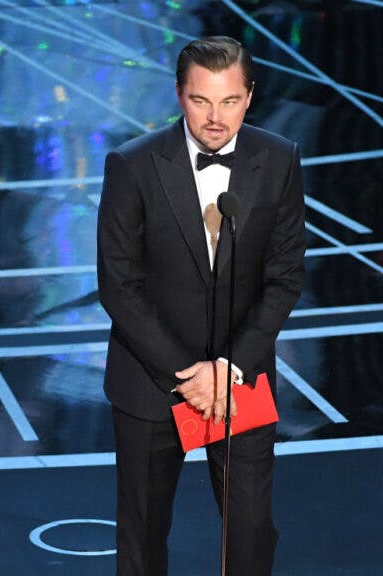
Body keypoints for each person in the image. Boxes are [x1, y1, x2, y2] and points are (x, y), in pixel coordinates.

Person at [97, 35, 306, 576]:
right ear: (178, 95)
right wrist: (188, 375)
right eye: (201, 100)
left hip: (242, 380)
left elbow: (284, 279)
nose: (216, 118)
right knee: (142, 536)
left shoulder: (279, 160)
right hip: (153, 381)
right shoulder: (132, 165)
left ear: (250, 96)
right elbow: (119, 285)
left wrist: (229, 368)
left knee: (252, 533)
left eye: (230, 101)